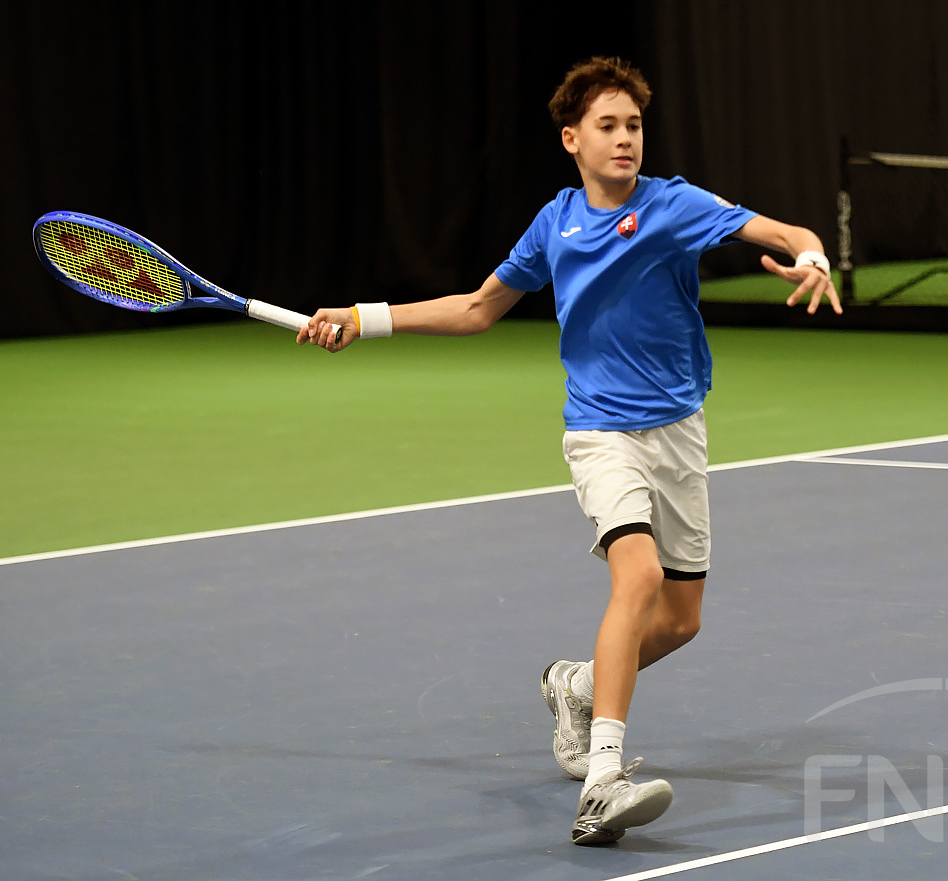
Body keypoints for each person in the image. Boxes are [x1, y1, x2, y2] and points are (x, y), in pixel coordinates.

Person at [300, 56, 841, 846]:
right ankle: (602, 781)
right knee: (639, 575)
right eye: (607, 126)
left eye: (634, 126)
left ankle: (577, 685)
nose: (625, 139)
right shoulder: (555, 225)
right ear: (571, 139)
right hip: (600, 432)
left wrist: (812, 256)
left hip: (678, 431)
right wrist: (364, 316)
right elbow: (478, 308)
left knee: (681, 620)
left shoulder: (675, 205)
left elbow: (784, 232)